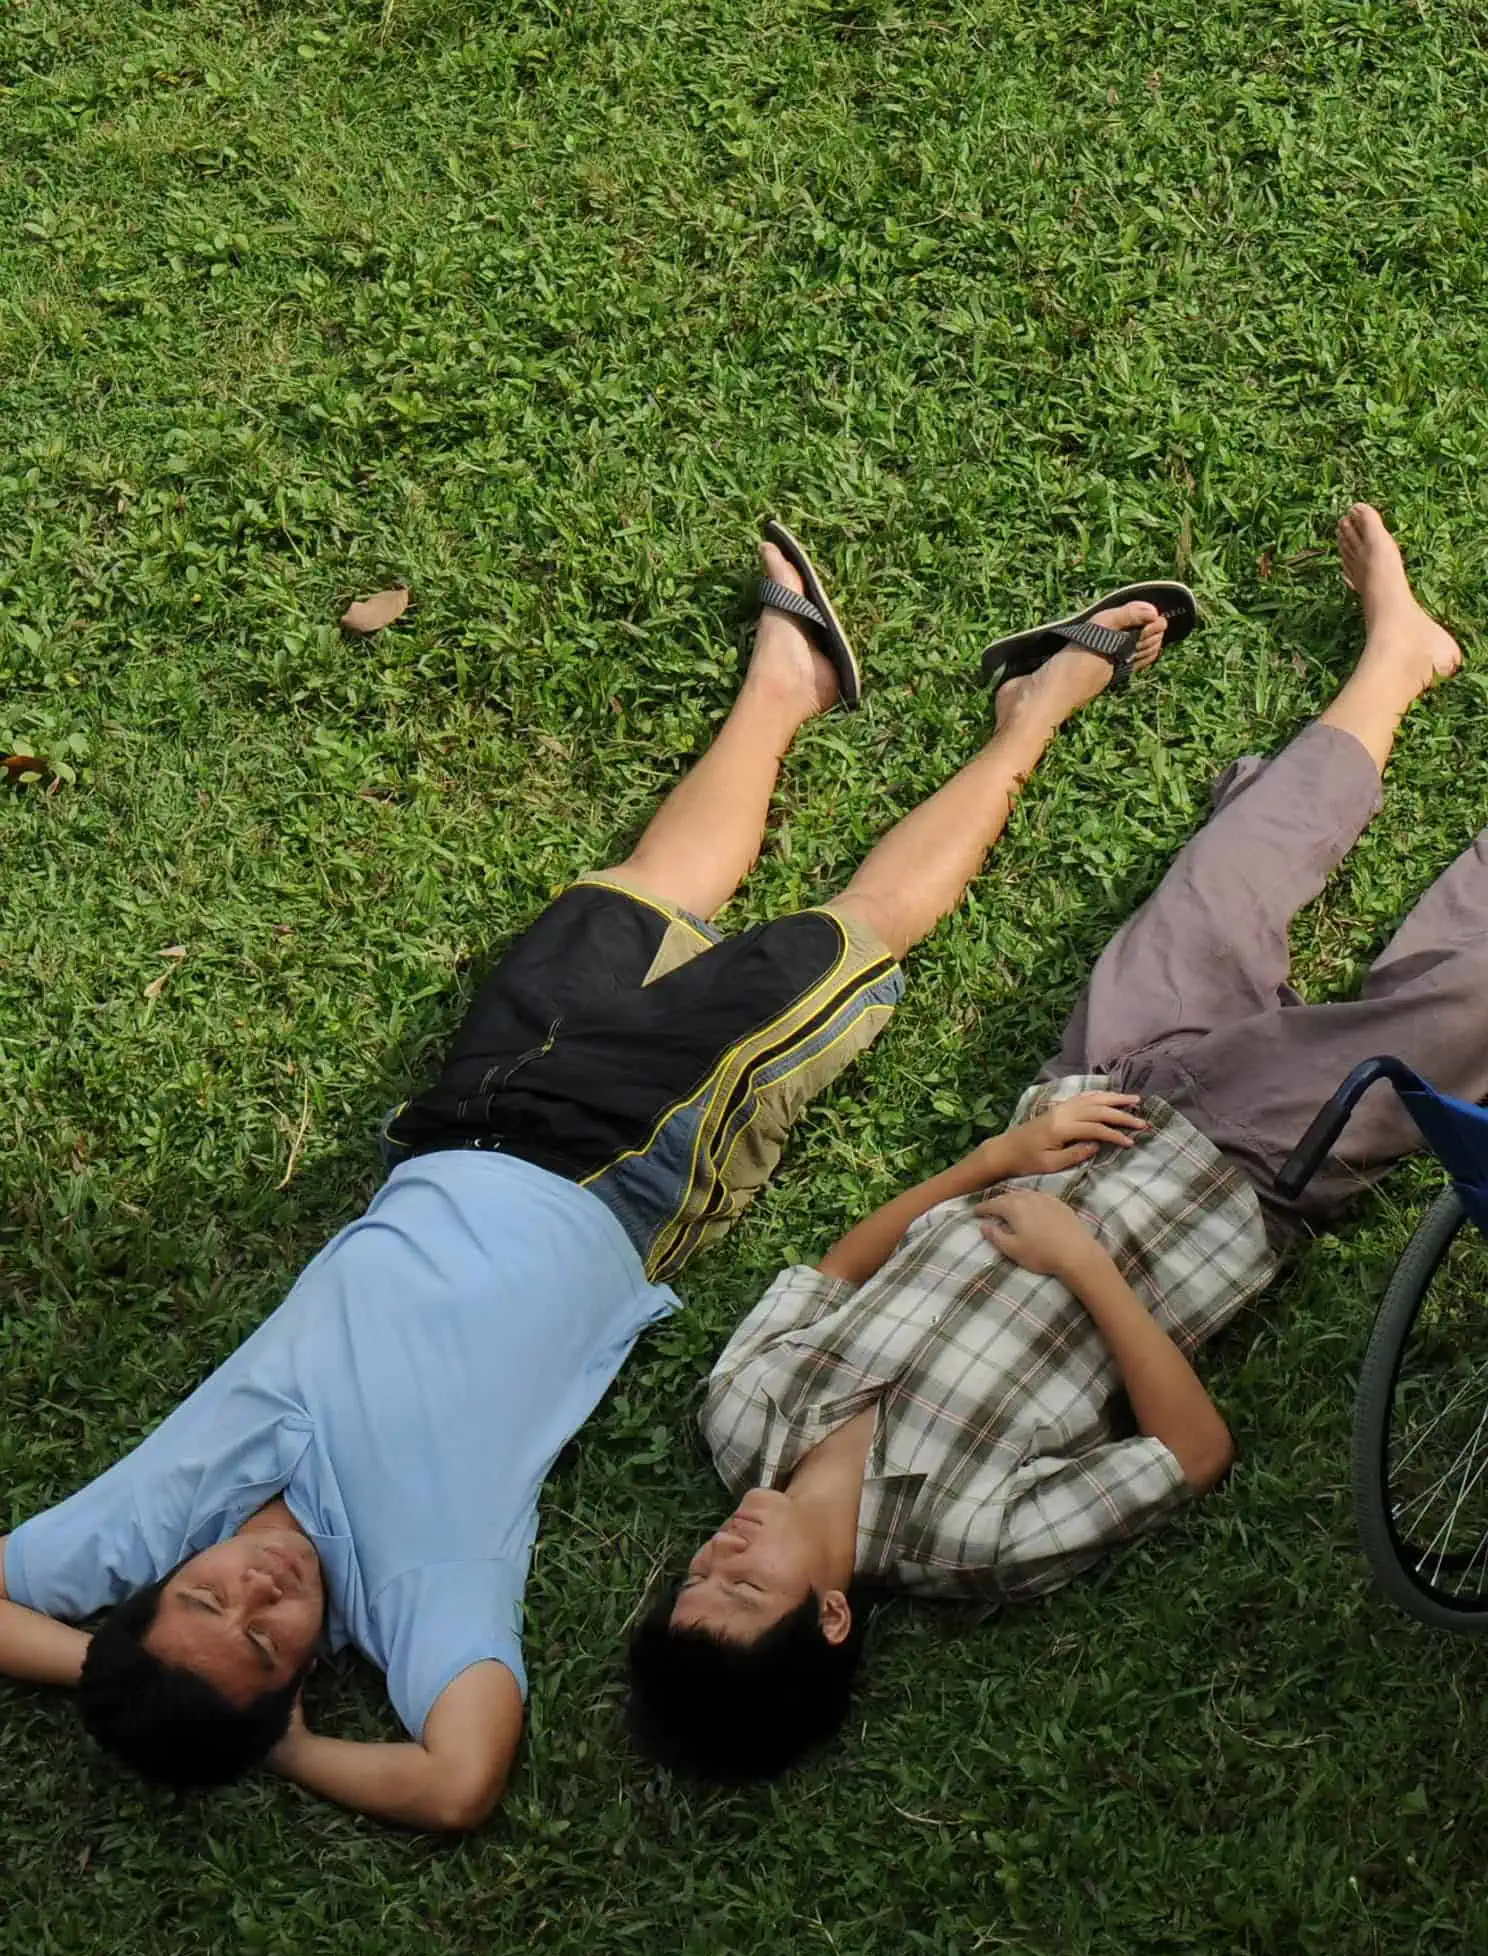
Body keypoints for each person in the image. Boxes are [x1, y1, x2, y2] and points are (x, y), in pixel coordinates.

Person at [0, 521, 1180, 1829]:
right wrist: (266, 1740)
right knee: (837, 941)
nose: (254, 1591)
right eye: (269, 1640)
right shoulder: (419, 1582)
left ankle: (787, 686)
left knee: (628, 899)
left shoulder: (155, 1515)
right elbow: (458, 1780)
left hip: (459, 1128)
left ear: (154, 1593)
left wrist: (127, 1669)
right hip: (630, 1172)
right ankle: (1039, 707)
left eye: (204, 1600)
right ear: (300, 1684)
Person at [629, 502, 1476, 1784]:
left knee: (1222, 875)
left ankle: (1397, 657)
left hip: (1087, 1097)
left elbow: (839, 1269)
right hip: (1236, 1182)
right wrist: (1081, 1260)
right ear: (832, 1613)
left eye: (696, 1575)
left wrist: (987, 1167)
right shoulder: (977, 1543)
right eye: (741, 1592)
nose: (721, 1552)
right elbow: (1191, 1455)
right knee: (1452, 1007)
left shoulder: (740, 1414)